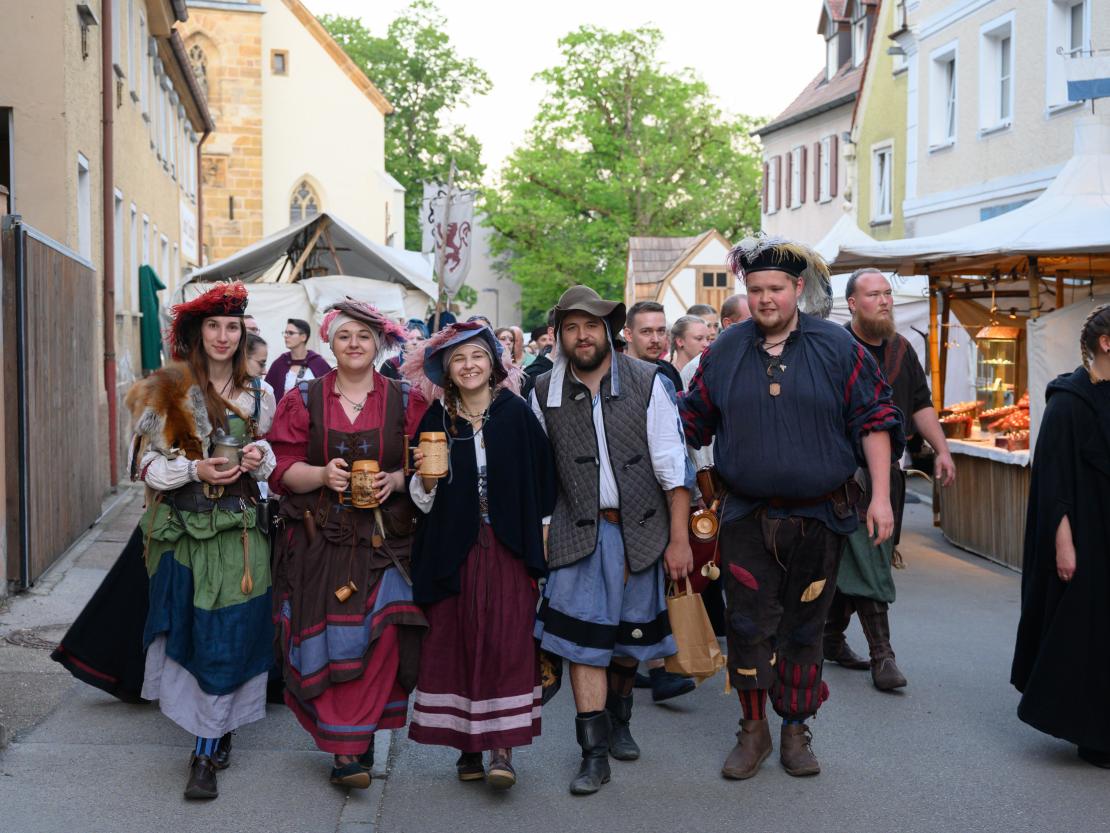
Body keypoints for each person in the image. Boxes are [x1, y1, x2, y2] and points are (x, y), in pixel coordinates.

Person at [680, 235, 903, 780]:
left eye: (776, 289)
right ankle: (752, 730)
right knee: (748, 625)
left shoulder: (837, 347)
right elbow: (690, 424)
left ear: (797, 289)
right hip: (746, 519)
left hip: (819, 518)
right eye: (755, 290)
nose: (765, 300)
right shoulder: (725, 351)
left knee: (805, 627)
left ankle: (795, 730)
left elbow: (874, 421)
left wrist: (879, 497)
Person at [531, 285, 692, 796]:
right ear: (560, 336)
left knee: (628, 644)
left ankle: (621, 720)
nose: (582, 336)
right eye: (571, 327)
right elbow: (536, 475)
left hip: (643, 531)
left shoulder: (648, 382)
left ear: (609, 331)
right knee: (584, 646)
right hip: (577, 534)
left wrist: (680, 540)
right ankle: (593, 754)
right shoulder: (542, 392)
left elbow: (674, 466)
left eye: (591, 325)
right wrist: (539, 533)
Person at [267, 299, 429, 789]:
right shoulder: (303, 398)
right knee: (330, 637)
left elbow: (428, 461)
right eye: (344, 336)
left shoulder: (406, 398)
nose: (354, 344)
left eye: (363, 335)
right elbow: (279, 468)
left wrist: (397, 481)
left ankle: (356, 741)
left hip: (386, 540)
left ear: (379, 343)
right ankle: (345, 749)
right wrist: (320, 473)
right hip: (322, 538)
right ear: (330, 344)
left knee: (383, 635)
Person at [125, 281, 277, 800]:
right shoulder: (165, 387)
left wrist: (258, 462)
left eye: (232, 327)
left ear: (242, 333)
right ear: (195, 331)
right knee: (193, 635)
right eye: (212, 325)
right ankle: (212, 731)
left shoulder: (261, 393)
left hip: (240, 534)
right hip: (183, 534)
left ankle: (204, 754)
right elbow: (143, 466)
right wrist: (193, 467)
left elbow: (269, 460)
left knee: (229, 634)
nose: (222, 335)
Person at [402, 322, 556, 789]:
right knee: (459, 639)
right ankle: (467, 746)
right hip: (454, 547)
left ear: (493, 364)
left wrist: (542, 539)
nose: (469, 366)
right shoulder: (436, 419)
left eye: (477, 357)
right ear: (447, 371)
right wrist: (425, 480)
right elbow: (419, 496)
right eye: (458, 360)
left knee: (508, 641)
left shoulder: (514, 413)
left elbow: (543, 479)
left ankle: (501, 749)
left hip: (508, 545)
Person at [824, 269, 957, 691]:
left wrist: (943, 449)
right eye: (873, 294)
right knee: (870, 558)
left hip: (890, 477)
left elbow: (920, 404)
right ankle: (884, 656)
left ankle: (830, 637)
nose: (884, 301)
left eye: (887, 294)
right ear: (851, 303)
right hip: (844, 477)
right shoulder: (836, 349)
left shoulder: (902, 349)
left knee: (862, 559)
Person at [1012, 304, 1110, 769]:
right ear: (1106, 343)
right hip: (1088, 537)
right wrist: (1064, 544)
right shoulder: (1068, 403)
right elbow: (1053, 484)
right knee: (1089, 636)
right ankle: (1094, 735)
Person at [621, 300, 697, 703]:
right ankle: (647, 671)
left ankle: (655, 668)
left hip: (663, 495)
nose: (655, 338)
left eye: (660, 331)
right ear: (628, 335)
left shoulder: (666, 374)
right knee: (638, 593)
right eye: (646, 331)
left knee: (655, 588)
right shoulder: (618, 376)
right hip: (629, 502)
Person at [264, 318, 332, 401]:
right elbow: (267, 392)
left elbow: (330, 391)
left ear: (303, 337)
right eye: (285, 332)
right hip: (285, 412)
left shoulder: (318, 363)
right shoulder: (280, 363)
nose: (286, 336)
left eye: (291, 333)